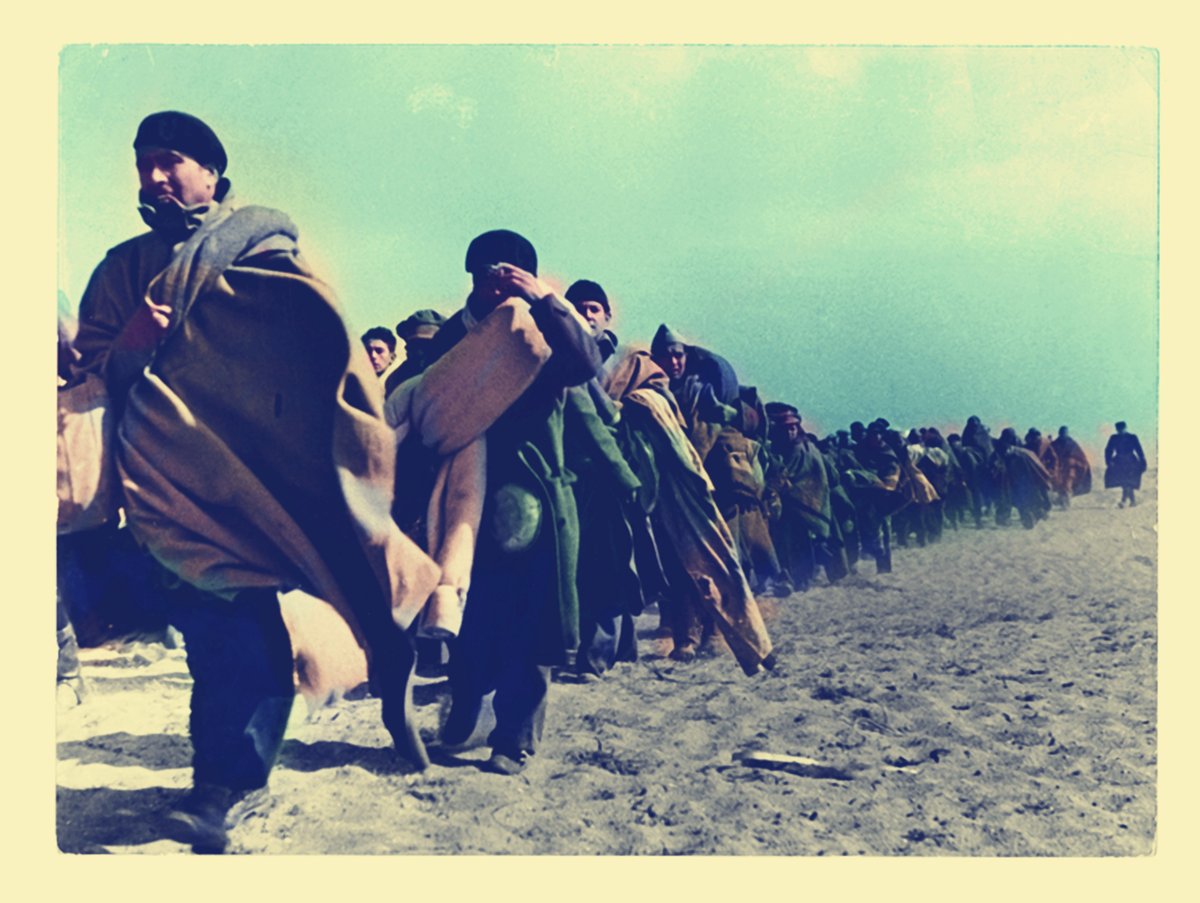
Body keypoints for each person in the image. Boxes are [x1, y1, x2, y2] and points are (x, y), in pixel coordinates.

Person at [71, 111, 440, 852]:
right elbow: (89, 375)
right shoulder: (118, 270)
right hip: (165, 493)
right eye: (143, 164)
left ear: (212, 171)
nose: (153, 177)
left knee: (236, 628)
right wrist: (133, 347)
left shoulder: (267, 255)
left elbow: (320, 354)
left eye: (170, 161)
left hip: (256, 485)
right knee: (219, 629)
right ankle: (225, 782)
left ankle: (227, 785)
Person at [429, 230, 603, 775]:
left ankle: (514, 739)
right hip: (464, 500)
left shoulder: (543, 338)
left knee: (532, 626)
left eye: (507, 274)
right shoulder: (456, 338)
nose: (494, 283)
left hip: (537, 504)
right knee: (470, 615)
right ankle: (462, 717)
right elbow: (421, 389)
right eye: (485, 273)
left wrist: (545, 298)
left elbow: (585, 363)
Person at [385, 309, 447, 398]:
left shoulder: (459, 372)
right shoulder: (397, 379)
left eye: (425, 344)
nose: (419, 351)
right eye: (413, 344)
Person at [1104, 421, 1148, 507]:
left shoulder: (1132, 437)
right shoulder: (1114, 438)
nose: (1120, 431)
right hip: (1119, 462)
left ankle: (1125, 500)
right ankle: (1131, 501)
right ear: (1116, 429)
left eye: (1122, 429)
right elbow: (1108, 450)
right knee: (1125, 482)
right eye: (1118, 429)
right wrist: (1109, 461)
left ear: (1125, 428)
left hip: (1131, 462)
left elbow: (1139, 450)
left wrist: (1142, 460)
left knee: (1127, 482)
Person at [1049, 425, 1093, 507]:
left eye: (1064, 433)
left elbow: (1079, 456)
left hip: (1070, 469)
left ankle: (1066, 503)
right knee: (1059, 485)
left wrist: (1075, 463)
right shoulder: (1056, 443)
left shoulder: (1072, 443)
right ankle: (1061, 501)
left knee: (1067, 484)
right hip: (1059, 468)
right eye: (1061, 433)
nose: (1063, 434)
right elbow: (1051, 452)